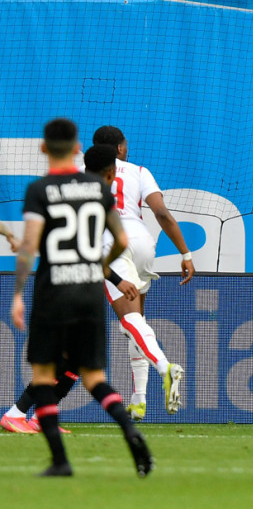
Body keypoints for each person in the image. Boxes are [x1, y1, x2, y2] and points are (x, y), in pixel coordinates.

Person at [9, 118, 153, 477]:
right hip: (89, 291)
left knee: (45, 374)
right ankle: (129, 429)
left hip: (52, 291)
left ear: (44, 149)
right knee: (92, 376)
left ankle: (59, 460)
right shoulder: (99, 191)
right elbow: (119, 242)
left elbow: (28, 246)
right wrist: (112, 275)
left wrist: (16, 294)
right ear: (77, 149)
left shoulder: (39, 190)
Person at [1, 145, 178, 434]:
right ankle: (16, 413)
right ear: (110, 173)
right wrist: (118, 279)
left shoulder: (63, 194)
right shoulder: (94, 201)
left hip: (69, 285)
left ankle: (38, 418)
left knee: (73, 360)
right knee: (63, 359)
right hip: (68, 287)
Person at [92, 125, 189, 421]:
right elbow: (161, 213)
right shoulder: (139, 171)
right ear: (120, 148)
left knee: (129, 320)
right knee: (137, 322)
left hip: (112, 242)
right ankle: (139, 400)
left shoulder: (85, 173)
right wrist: (185, 253)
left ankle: (165, 368)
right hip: (143, 240)